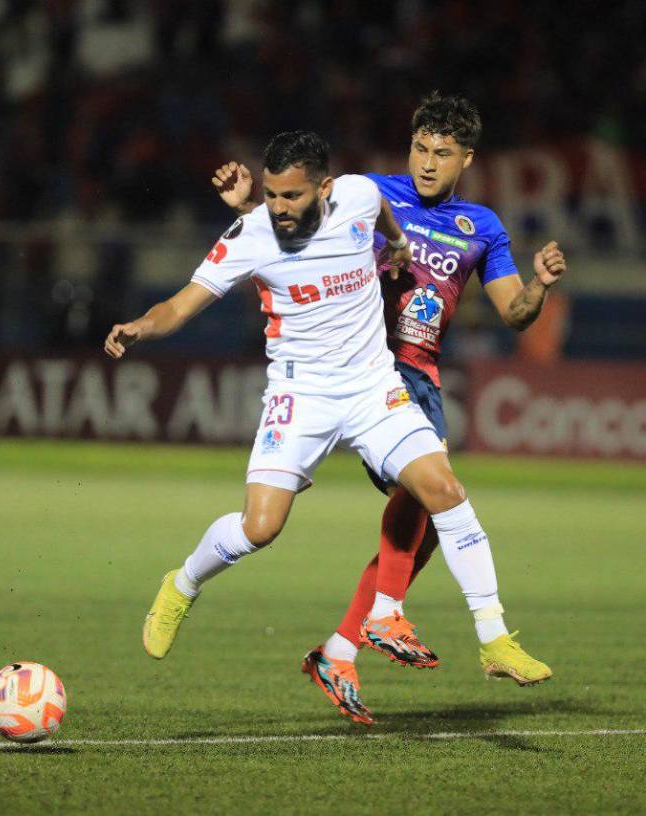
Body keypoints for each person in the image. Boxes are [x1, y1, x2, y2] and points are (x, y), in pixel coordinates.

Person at [108, 130, 553, 726]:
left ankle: (494, 637)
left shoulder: (361, 196)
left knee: (444, 491)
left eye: (291, 196)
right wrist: (140, 326)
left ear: (325, 187)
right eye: (270, 195)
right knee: (260, 528)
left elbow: (385, 212)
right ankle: (183, 583)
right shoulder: (251, 236)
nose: (278, 207)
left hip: (373, 388)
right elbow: (180, 305)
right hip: (300, 394)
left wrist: (395, 245)